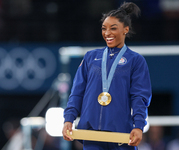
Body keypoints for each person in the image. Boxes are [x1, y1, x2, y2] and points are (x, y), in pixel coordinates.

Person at [62, 1, 152, 150]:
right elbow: (77, 93)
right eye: (104, 29)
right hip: (91, 135)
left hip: (121, 136)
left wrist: (139, 126)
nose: (107, 33)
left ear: (126, 29)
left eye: (113, 28)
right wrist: (68, 119)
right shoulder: (90, 57)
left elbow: (139, 97)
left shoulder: (135, 60)